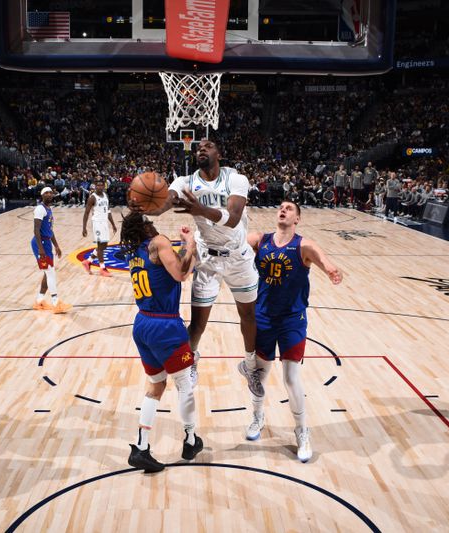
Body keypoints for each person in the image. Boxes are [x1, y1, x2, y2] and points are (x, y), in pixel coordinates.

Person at [144, 138, 263, 396]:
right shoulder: (185, 182)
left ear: (218, 153)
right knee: (197, 324)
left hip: (237, 258)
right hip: (208, 259)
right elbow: (166, 202)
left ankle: (250, 365)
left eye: (207, 146)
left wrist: (199, 208)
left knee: (248, 316)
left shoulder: (235, 178)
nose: (201, 148)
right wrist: (149, 207)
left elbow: (232, 219)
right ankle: (190, 362)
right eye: (198, 147)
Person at [245, 201, 343, 461]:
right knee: (259, 376)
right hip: (264, 317)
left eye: (289, 208)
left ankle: (302, 431)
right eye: (280, 207)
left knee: (291, 378)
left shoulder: (304, 246)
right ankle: (257, 418)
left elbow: (323, 260)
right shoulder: (260, 240)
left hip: (292, 320)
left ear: (297, 218)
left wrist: (331, 269)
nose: (283, 209)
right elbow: (233, 243)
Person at [121, 211, 203, 472]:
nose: (154, 224)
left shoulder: (136, 252)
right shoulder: (158, 242)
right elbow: (180, 273)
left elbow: (178, 269)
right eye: (150, 222)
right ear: (146, 227)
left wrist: (185, 249)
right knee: (185, 383)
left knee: (156, 385)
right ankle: (190, 440)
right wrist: (188, 244)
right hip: (165, 325)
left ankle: (142, 447)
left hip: (142, 323)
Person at [31, 187, 72, 313]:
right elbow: (36, 230)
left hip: (47, 242)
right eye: (46, 193)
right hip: (40, 243)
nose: (49, 194)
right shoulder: (40, 209)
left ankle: (39, 301)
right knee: (50, 273)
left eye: (50, 192)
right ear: (42, 195)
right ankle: (55, 302)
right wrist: (41, 249)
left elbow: (50, 230)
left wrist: (57, 246)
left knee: (47, 273)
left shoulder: (49, 209)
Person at [81, 179, 117, 277]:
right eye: (98, 185)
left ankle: (88, 262)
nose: (100, 187)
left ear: (104, 186)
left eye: (102, 185)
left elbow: (108, 211)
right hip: (97, 223)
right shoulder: (92, 198)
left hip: (104, 222)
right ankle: (102, 268)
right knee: (100, 246)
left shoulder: (106, 196)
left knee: (104, 246)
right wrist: (84, 227)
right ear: (95, 186)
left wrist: (113, 224)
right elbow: (86, 213)